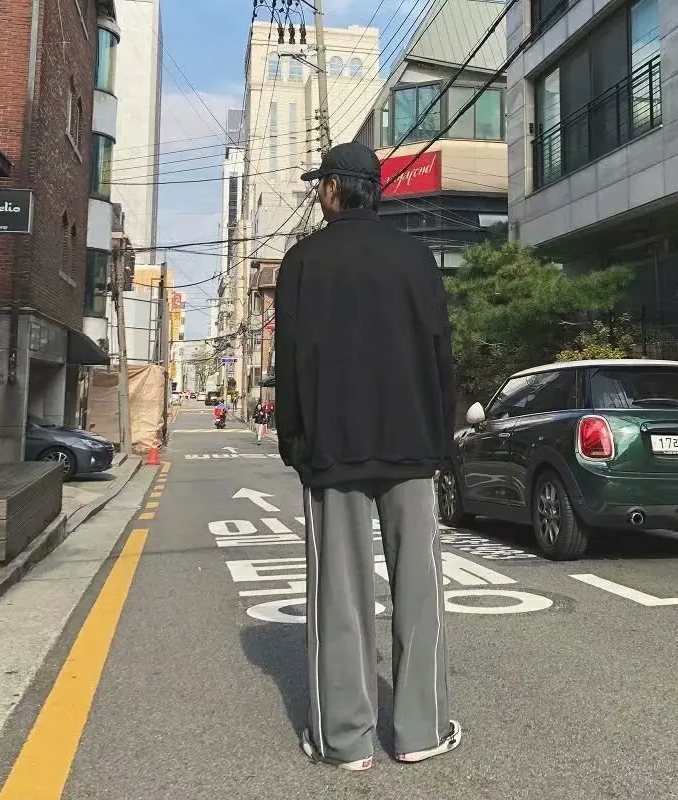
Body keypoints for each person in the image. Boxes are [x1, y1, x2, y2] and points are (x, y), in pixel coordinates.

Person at [275, 142, 459, 772]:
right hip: (411, 448)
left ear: (333, 189)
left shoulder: (301, 263)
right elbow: (441, 354)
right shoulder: (416, 258)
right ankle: (420, 731)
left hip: (333, 451)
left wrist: (295, 444)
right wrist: (441, 442)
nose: (318, 194)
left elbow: (290, 367)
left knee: (340, 596)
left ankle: (345, 741)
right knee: (420, 592)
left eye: (319, 185)